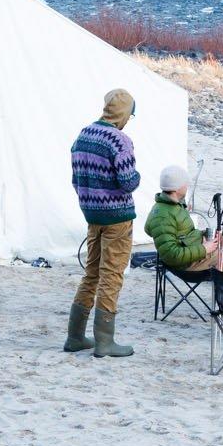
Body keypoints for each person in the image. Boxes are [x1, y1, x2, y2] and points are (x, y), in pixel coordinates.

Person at [66, 88, 140, 359]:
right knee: (112, 274)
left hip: (92, 213)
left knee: (92, 273)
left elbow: (75, 178)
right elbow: (129, 181)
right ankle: (105, 342)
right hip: (117, 217)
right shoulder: (120, 140)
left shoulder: (83, 135)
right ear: (123, 113)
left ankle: (75, 337)